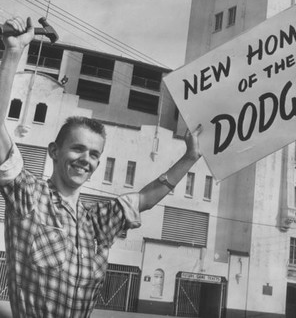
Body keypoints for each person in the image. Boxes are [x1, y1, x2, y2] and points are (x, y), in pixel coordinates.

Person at [0, 16, 202, 318]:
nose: (86, 159)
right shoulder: (28, 195)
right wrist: (13, 54)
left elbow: (145, 198)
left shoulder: (98, 222)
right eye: (78, 148)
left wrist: (189, 158)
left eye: (94, 154)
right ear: (54, 151)